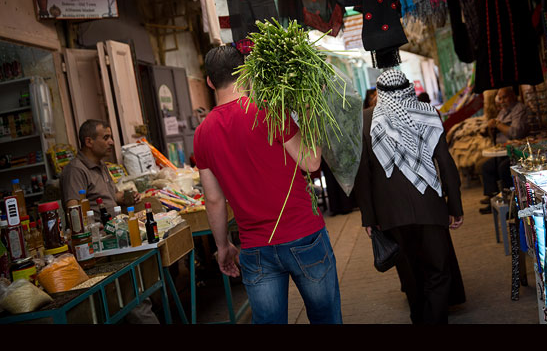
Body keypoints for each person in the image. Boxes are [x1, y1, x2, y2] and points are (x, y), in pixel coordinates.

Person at [193, 45, 342, 324]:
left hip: (255, 248)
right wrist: (311, 111)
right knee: (326, 319)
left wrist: (223, 246)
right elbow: (311, 163)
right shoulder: (268, 111)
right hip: (304, 236)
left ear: (210, 81)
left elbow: (213, 200)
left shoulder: (202, 134)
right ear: (246, 72)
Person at [353, 69, 464, 324]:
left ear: (379, 93)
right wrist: (454, 206)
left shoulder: (365, 120)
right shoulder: (428, 113)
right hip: (430, 207)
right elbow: (445, 163)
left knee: (410, 276)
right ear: (409, 89)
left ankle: (420, 319)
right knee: (438, 272)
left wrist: (369, 218)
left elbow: (363, 174)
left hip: (390, 214)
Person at [61, 119, 158, 324]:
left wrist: (129, 196)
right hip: (98, 246)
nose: (111, 142)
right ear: (88, 141)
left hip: (117, 238)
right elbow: (73, 210)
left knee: (139, 289)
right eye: (105, 137)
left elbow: (113, 196)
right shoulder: (76, 170)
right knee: (133, 296)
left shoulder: (101, 166)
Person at [479, 86, 529, 214]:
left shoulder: (519, 109)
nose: (501, 101)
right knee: (486, 167)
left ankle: (511, 204)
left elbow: (515, 133)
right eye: (499, 98)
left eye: (504, 97)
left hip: (516, 152)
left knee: (503, 168)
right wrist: (491, 128)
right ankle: (494, 200)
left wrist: (497, 124)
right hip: (502, 151)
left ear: (512, 96)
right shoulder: (502, 112)